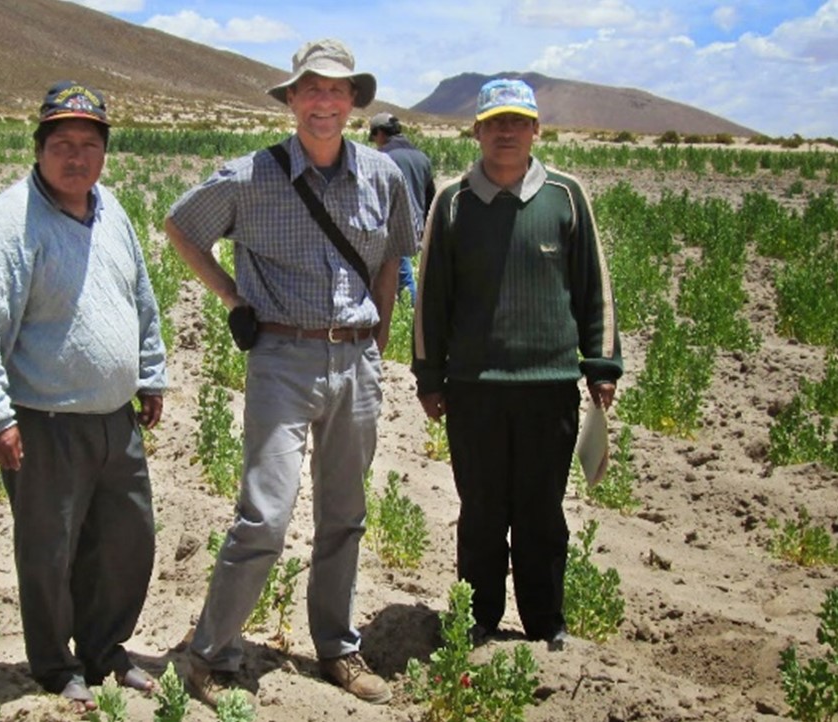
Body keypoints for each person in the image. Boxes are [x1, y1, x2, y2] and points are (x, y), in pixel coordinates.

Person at [165, 38, 417, 707]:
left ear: (354, 102)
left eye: (337, 91)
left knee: (346, 514)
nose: (324, 103)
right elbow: (182, 227)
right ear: (292, 99)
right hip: (282, 358)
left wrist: (379, 337)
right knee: (265, 517)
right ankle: (208, 654)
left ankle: (337, 647)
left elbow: (393, 258)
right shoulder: (251, 176)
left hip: (355, 360)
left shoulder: (384, 177)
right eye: (312, 90)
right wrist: (233, 299)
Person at [0, 81, 167, 712]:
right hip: (44, 421)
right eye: (62, 144)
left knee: (127, 542)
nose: (76, 157)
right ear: (40, 148)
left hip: (115, 421)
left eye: (89, 145)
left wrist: (150, 373)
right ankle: (54, 664)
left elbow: (142, 301)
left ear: (104, 153)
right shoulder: (9, 223)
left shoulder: (112, 211)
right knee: (49, 551)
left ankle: (105, 650)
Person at [412, 79, 623, 650]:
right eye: (494, 122)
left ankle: (545, 622)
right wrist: (429, 377)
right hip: (475, 387)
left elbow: (592, 286)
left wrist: (601, 367)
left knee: (541, 511)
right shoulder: (451, 201)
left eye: (517, 121)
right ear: (476, 130)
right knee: (481, 510)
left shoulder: (566, 196)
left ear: (536, 130)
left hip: (549, 386)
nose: (505, 132)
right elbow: (431, 295)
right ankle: (478, 618)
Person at [368, 112, 435, 304]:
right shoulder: (421, 157)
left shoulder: (381, 157)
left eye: (375, 137)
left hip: (393, 228)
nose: (375, 142)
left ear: (380, 133)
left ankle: (413, 315)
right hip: (417, 227)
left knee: (402, 279)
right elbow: (430, 195)